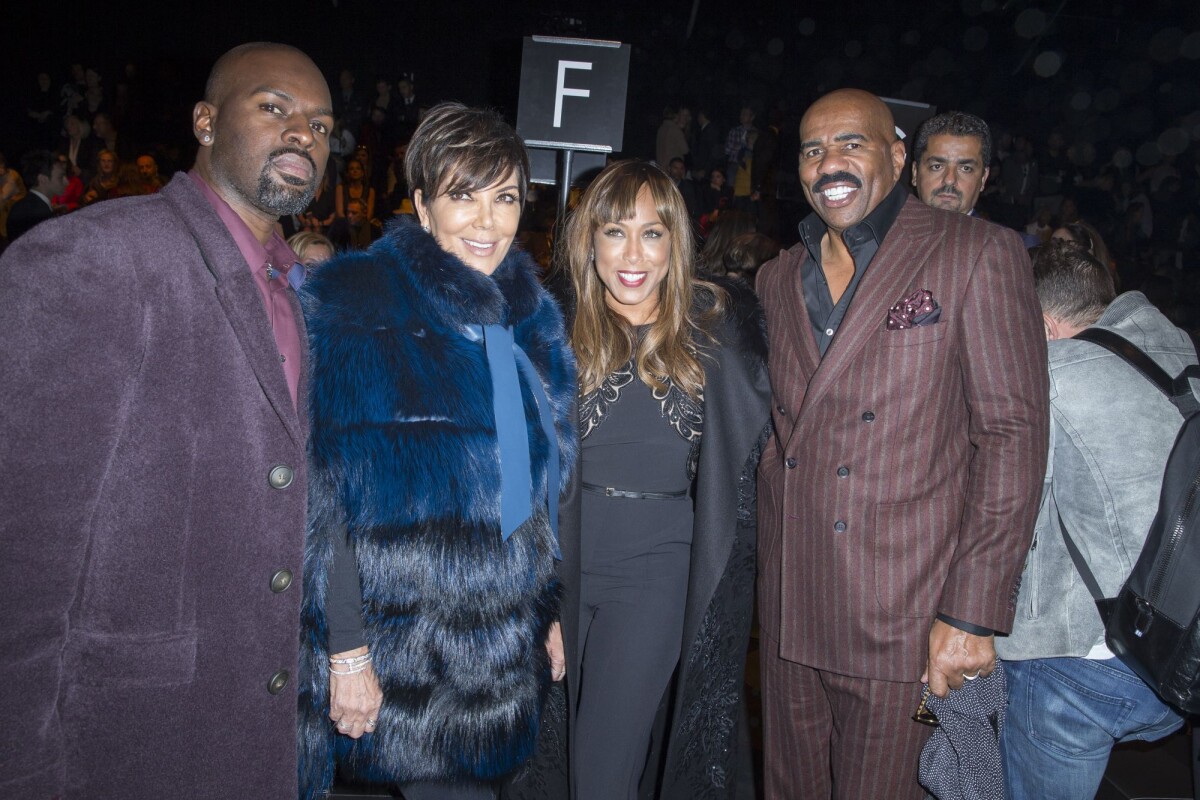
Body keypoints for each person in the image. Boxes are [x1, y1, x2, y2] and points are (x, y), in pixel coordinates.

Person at [0, 42, 332, 799]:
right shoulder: (90, 258)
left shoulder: (304, 293)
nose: (302, 135)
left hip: (256, 729)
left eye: (320, 124)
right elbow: (22, 556)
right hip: (125, 738)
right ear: (206, 122)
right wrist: (20, 766)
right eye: (274, 107)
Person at [754, 88, 1049, 799]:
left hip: (906, 616)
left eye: (851, 143)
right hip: (792, 603)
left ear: (896, 155)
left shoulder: (977, 252)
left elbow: (1011, 438)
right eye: (812, 149)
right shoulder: (774, 278)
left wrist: (972, 613)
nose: (830, 162)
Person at [297, 102, 577, 800]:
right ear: (422, 204)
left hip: (500, 655)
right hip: (404, 657)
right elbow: (323, 502)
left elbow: (530, 495)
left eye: (505, 197)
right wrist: (348, 649)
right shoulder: (359, 301)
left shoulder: (529, 319)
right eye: (463, 195)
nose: (487, 221)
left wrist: (544, 614)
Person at [513, 159, 771, 799]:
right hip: (562, 561)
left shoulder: (715, 328)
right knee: (548, 758)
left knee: (602, 768)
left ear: (675, 243)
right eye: (615, 232)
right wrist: (538, 601)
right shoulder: (550, 328)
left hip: (657, 568)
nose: (633, 254)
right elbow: (519, 475)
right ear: (588, 240)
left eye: (652, 233)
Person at [996, 242, 1191, 800]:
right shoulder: (1176, 351)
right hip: (1183, 648)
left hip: (1091, 672)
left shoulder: (1052, 378)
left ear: (1042, 323)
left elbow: (1010, 525)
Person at [910, 110, 992, 216]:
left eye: (965, 169)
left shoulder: (997, 233)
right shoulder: (886, 230)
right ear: (915, 172)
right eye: (937, 166)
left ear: (983, 178)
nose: (949, 180)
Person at [6, 149, 67, 241]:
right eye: (60, 177)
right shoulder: (40, 215)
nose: (67, 182)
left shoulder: (22, 206)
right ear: (43, 179)